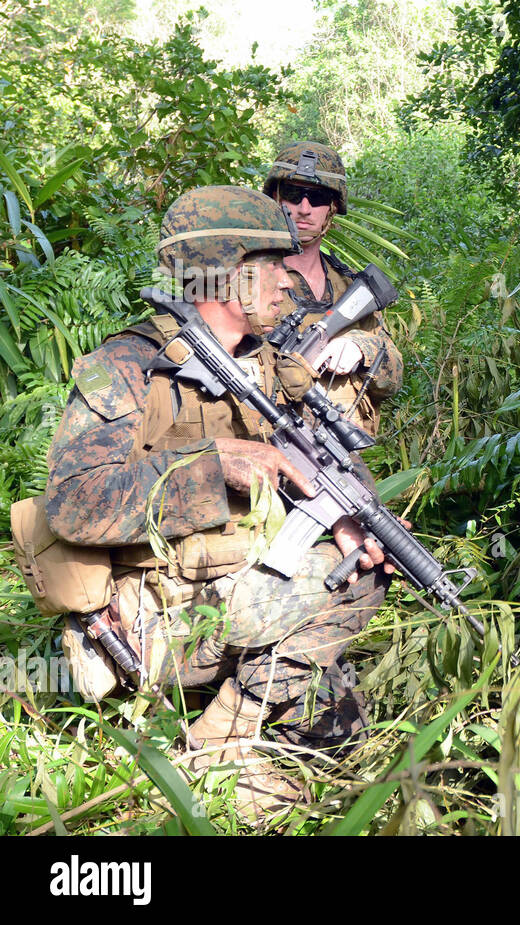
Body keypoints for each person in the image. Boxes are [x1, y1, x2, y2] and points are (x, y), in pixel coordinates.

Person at [46, 186, 394, 819]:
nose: (292, 281)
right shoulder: (128, 365)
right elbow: (73, 503)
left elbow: (313, 462)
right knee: (351, 592)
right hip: (145, 618)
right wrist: (217, 465)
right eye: (277, 265)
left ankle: (233, 715)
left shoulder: (266, 365)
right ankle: (211, 751)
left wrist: (346, 522)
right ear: (232, 276)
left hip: (230, 585)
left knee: (338, 727)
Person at [263, 141, 403, 435]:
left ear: (333, 208)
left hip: (342, 453)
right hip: (271, 445)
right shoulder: (247, 281)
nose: (303, 209)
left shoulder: (352, 289)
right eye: (292, 194)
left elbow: (394, 376)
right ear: (275, 197)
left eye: (317, 198)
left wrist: (360, 347)